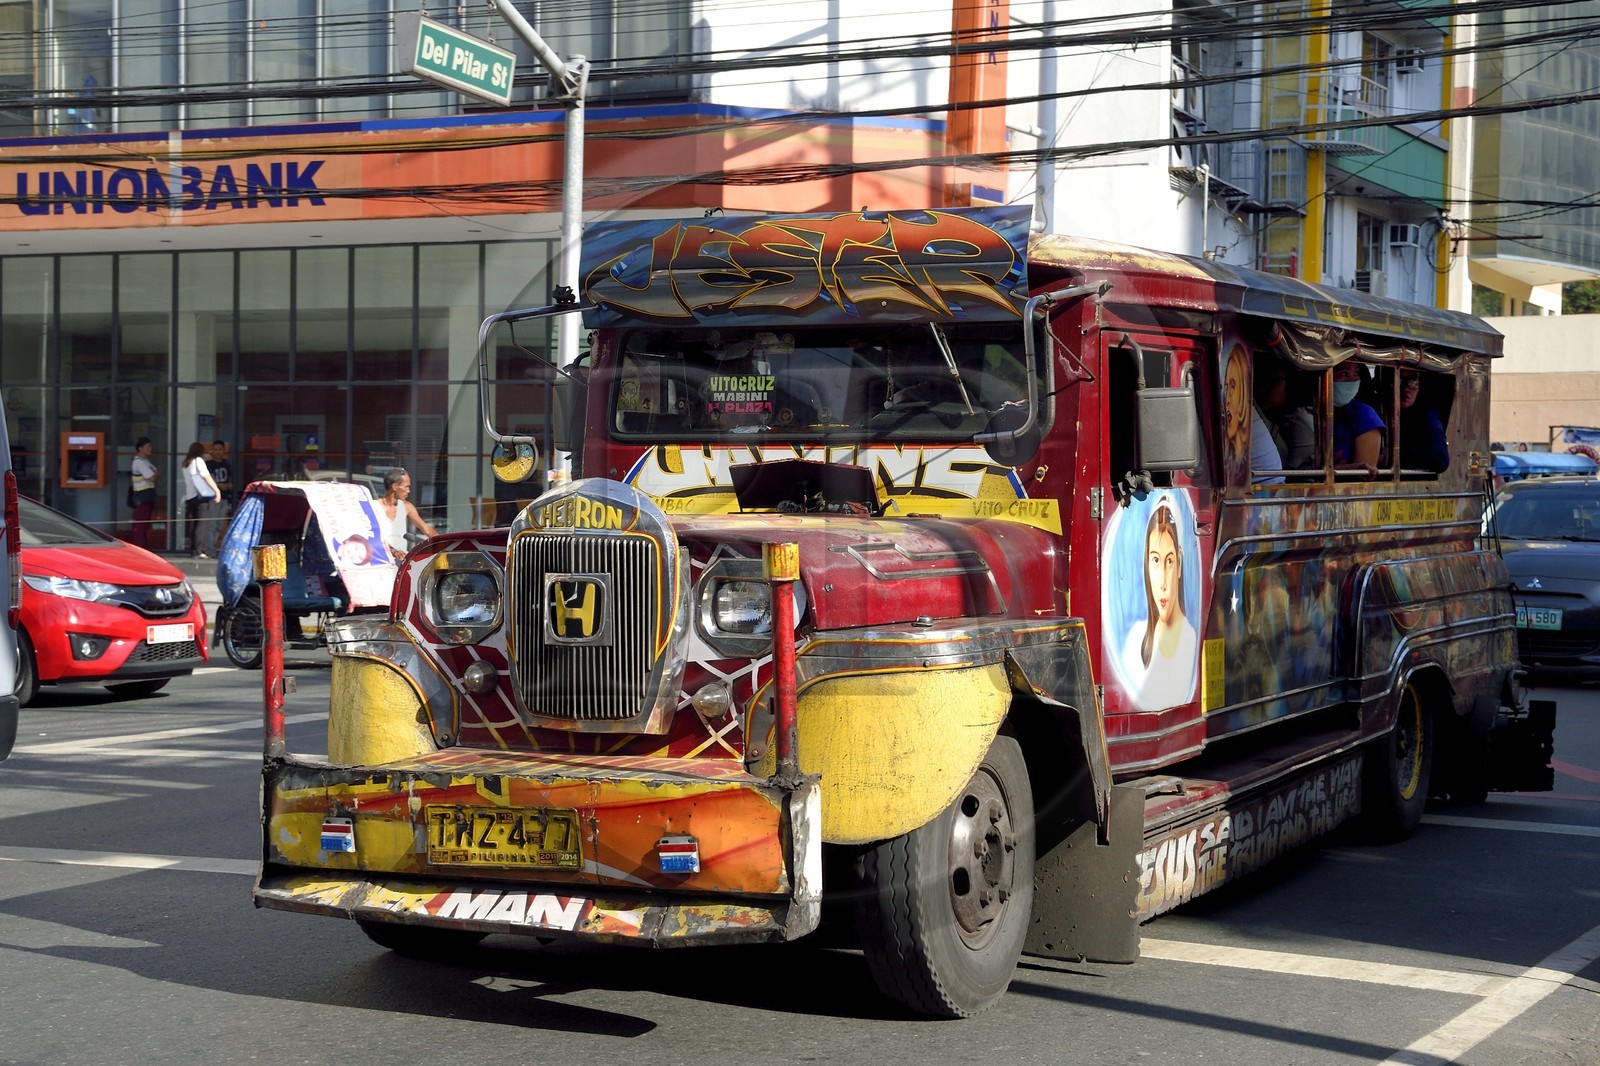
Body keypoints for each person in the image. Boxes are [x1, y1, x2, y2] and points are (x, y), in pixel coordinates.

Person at [1120, 499, 1198, 709]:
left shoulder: (1192, 640)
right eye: (1155, 560)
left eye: (1169, 561)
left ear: (1180, 565)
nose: (1163, 581)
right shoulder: (1133, 643)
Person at [1332, 360, 1382, 475]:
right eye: (1344, 374)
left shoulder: (1364, 416)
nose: (1352, 380)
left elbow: (1364, 477)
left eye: (1356, 373)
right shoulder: (1307, 412)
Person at [378, 468, 437, 558]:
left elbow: (426, 529)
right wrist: (392, 550)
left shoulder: (406, 506)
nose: (408, 491)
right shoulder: (374, 507)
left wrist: (447, 544)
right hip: (380, 563)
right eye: (406, 486)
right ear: (394, 487)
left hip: (400, 565)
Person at [1398, 369, 1449, 473]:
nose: (1406, 388)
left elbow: (1440, 458)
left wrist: (1391, 457)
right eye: (1400, 380)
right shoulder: (1376, 409)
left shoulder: (1427, 417)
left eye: (1413, 380)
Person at [181, 441, 221, 558]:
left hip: (190, 496)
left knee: (194, 524)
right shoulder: (199, 461)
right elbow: (206, 476)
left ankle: (193, 549)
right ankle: (198, 550)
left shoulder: (186, 463)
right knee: (201, 524)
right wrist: (216, 490)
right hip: (200, 496)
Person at [129, 437, 158, 550]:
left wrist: (154, 473)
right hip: (142, 496)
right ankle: (139, 548)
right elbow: (152, 476)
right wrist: (154, 473)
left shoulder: (145, 461)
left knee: (145, 525)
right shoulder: (139, 462)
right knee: (140, 526)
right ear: (140, 448)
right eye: (148, 447)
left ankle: (144, 547)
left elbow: (156, 472)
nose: (150, 449)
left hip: (147, 495)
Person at [208, 439, 234, 551]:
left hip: (225, 498)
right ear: (212, 451)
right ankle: (209, 548)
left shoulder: (227, 464)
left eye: (220, 449)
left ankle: (215, 547)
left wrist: (229, 485)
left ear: (224, 450)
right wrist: (218, 486)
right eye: (216, 449)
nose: (218, 452)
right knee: (212, 524)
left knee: (220, 525)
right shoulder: (208, 464)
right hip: (213, 498)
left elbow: (231, 479)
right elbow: (205, 481)